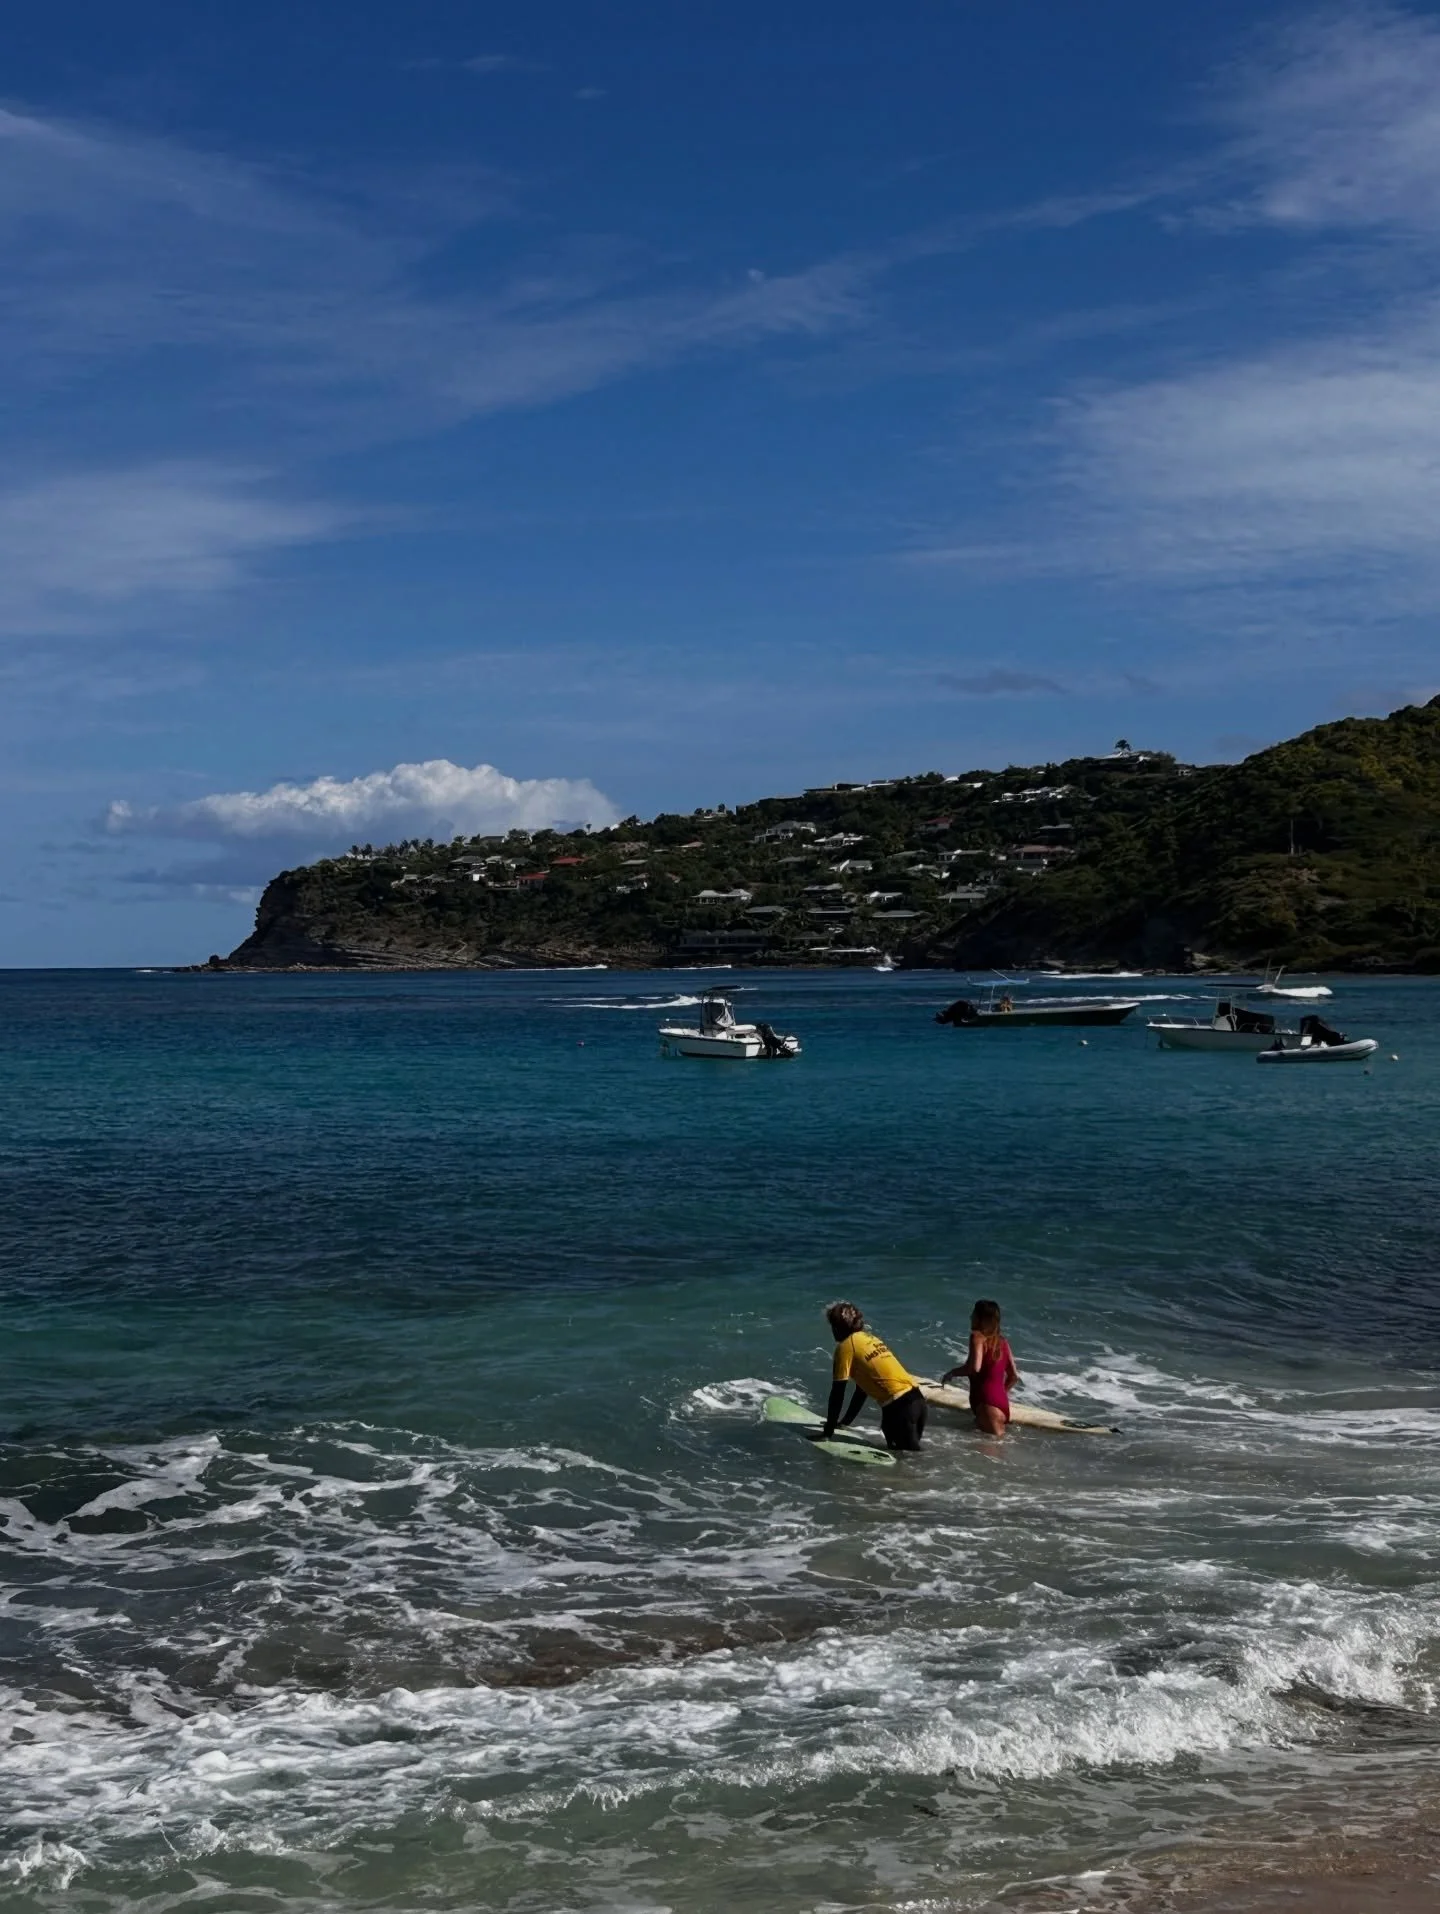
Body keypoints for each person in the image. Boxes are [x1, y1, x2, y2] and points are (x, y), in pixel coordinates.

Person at [820, 1301, 927, 1452]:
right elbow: (861, 1391)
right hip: (917, 1402)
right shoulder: (869, 1340)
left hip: (900, 1408)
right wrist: (844, 1423)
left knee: (910, 1462)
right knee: (908, 1458)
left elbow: (837, 1393)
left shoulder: (845, 1347)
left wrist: (827, 1432)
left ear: (836, 1328)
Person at [941, 1299, 1019, 1437]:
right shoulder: (1003, 1342)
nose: (971, 1317)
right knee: (993, 1451)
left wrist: (952, 1373)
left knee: (991, 1453)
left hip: (987, 1406)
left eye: (974, 1314)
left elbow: (975, 1368)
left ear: (981, 1319)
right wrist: (1000, 1395)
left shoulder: (977, 1337)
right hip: (1001, 1405)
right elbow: (1013, 1377)